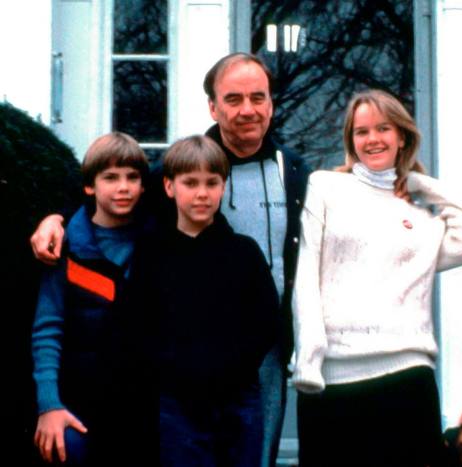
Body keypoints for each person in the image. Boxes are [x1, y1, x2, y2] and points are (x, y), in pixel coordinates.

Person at [30, 52, 310, 467]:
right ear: (213, 107)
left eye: (258, 97)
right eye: (233, 99)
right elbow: (114, 189)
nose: (247, 109)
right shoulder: (185, 164)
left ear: (271, 103)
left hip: (256, 357)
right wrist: (57, 216)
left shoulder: (295, 171)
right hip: (179, 376)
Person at [291, 89, 462, 467]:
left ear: (402, 137)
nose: (373, 139)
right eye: (361, 131)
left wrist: (418, 183)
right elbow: (306, 272)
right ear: (351, 140)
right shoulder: (325, 186)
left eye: (383, 128)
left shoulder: (420, 218)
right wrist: (310, 358)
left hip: (406, 377)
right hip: (333, 378)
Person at [124, 135, 280, 466]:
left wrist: (232, 370)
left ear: (223, 187)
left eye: (212, 183)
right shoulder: (152, 253)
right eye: (190, 183)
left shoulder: (243, 252)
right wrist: (174, 371)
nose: (201, 193)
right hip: (177, 403)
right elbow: (138, 324)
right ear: (169, 187)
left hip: (238, 399)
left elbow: (266, 321)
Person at [31, 132, 149, 465]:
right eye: (110, 177)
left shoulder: (158, 242)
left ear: (144, 186)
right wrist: (49, 405)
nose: (123, 187)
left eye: (132, 177)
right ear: (89, 186)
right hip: (79, 403)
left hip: (143, 406)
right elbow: (47, 329)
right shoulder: (65, 247)